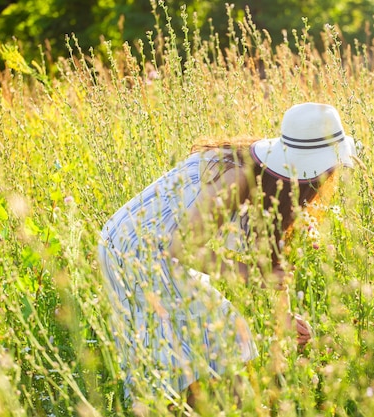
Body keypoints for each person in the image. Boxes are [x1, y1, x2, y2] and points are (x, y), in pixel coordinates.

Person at [97, 102, 357, 406]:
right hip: (137, 249)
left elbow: (272, 266)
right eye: (328, 170)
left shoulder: (269, 180)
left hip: (149, 245)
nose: (329, 179)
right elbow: (181, 248)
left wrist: (282, 317)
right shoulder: (240, 178)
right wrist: (252, 275)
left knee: (205, 347)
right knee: (206, 348)